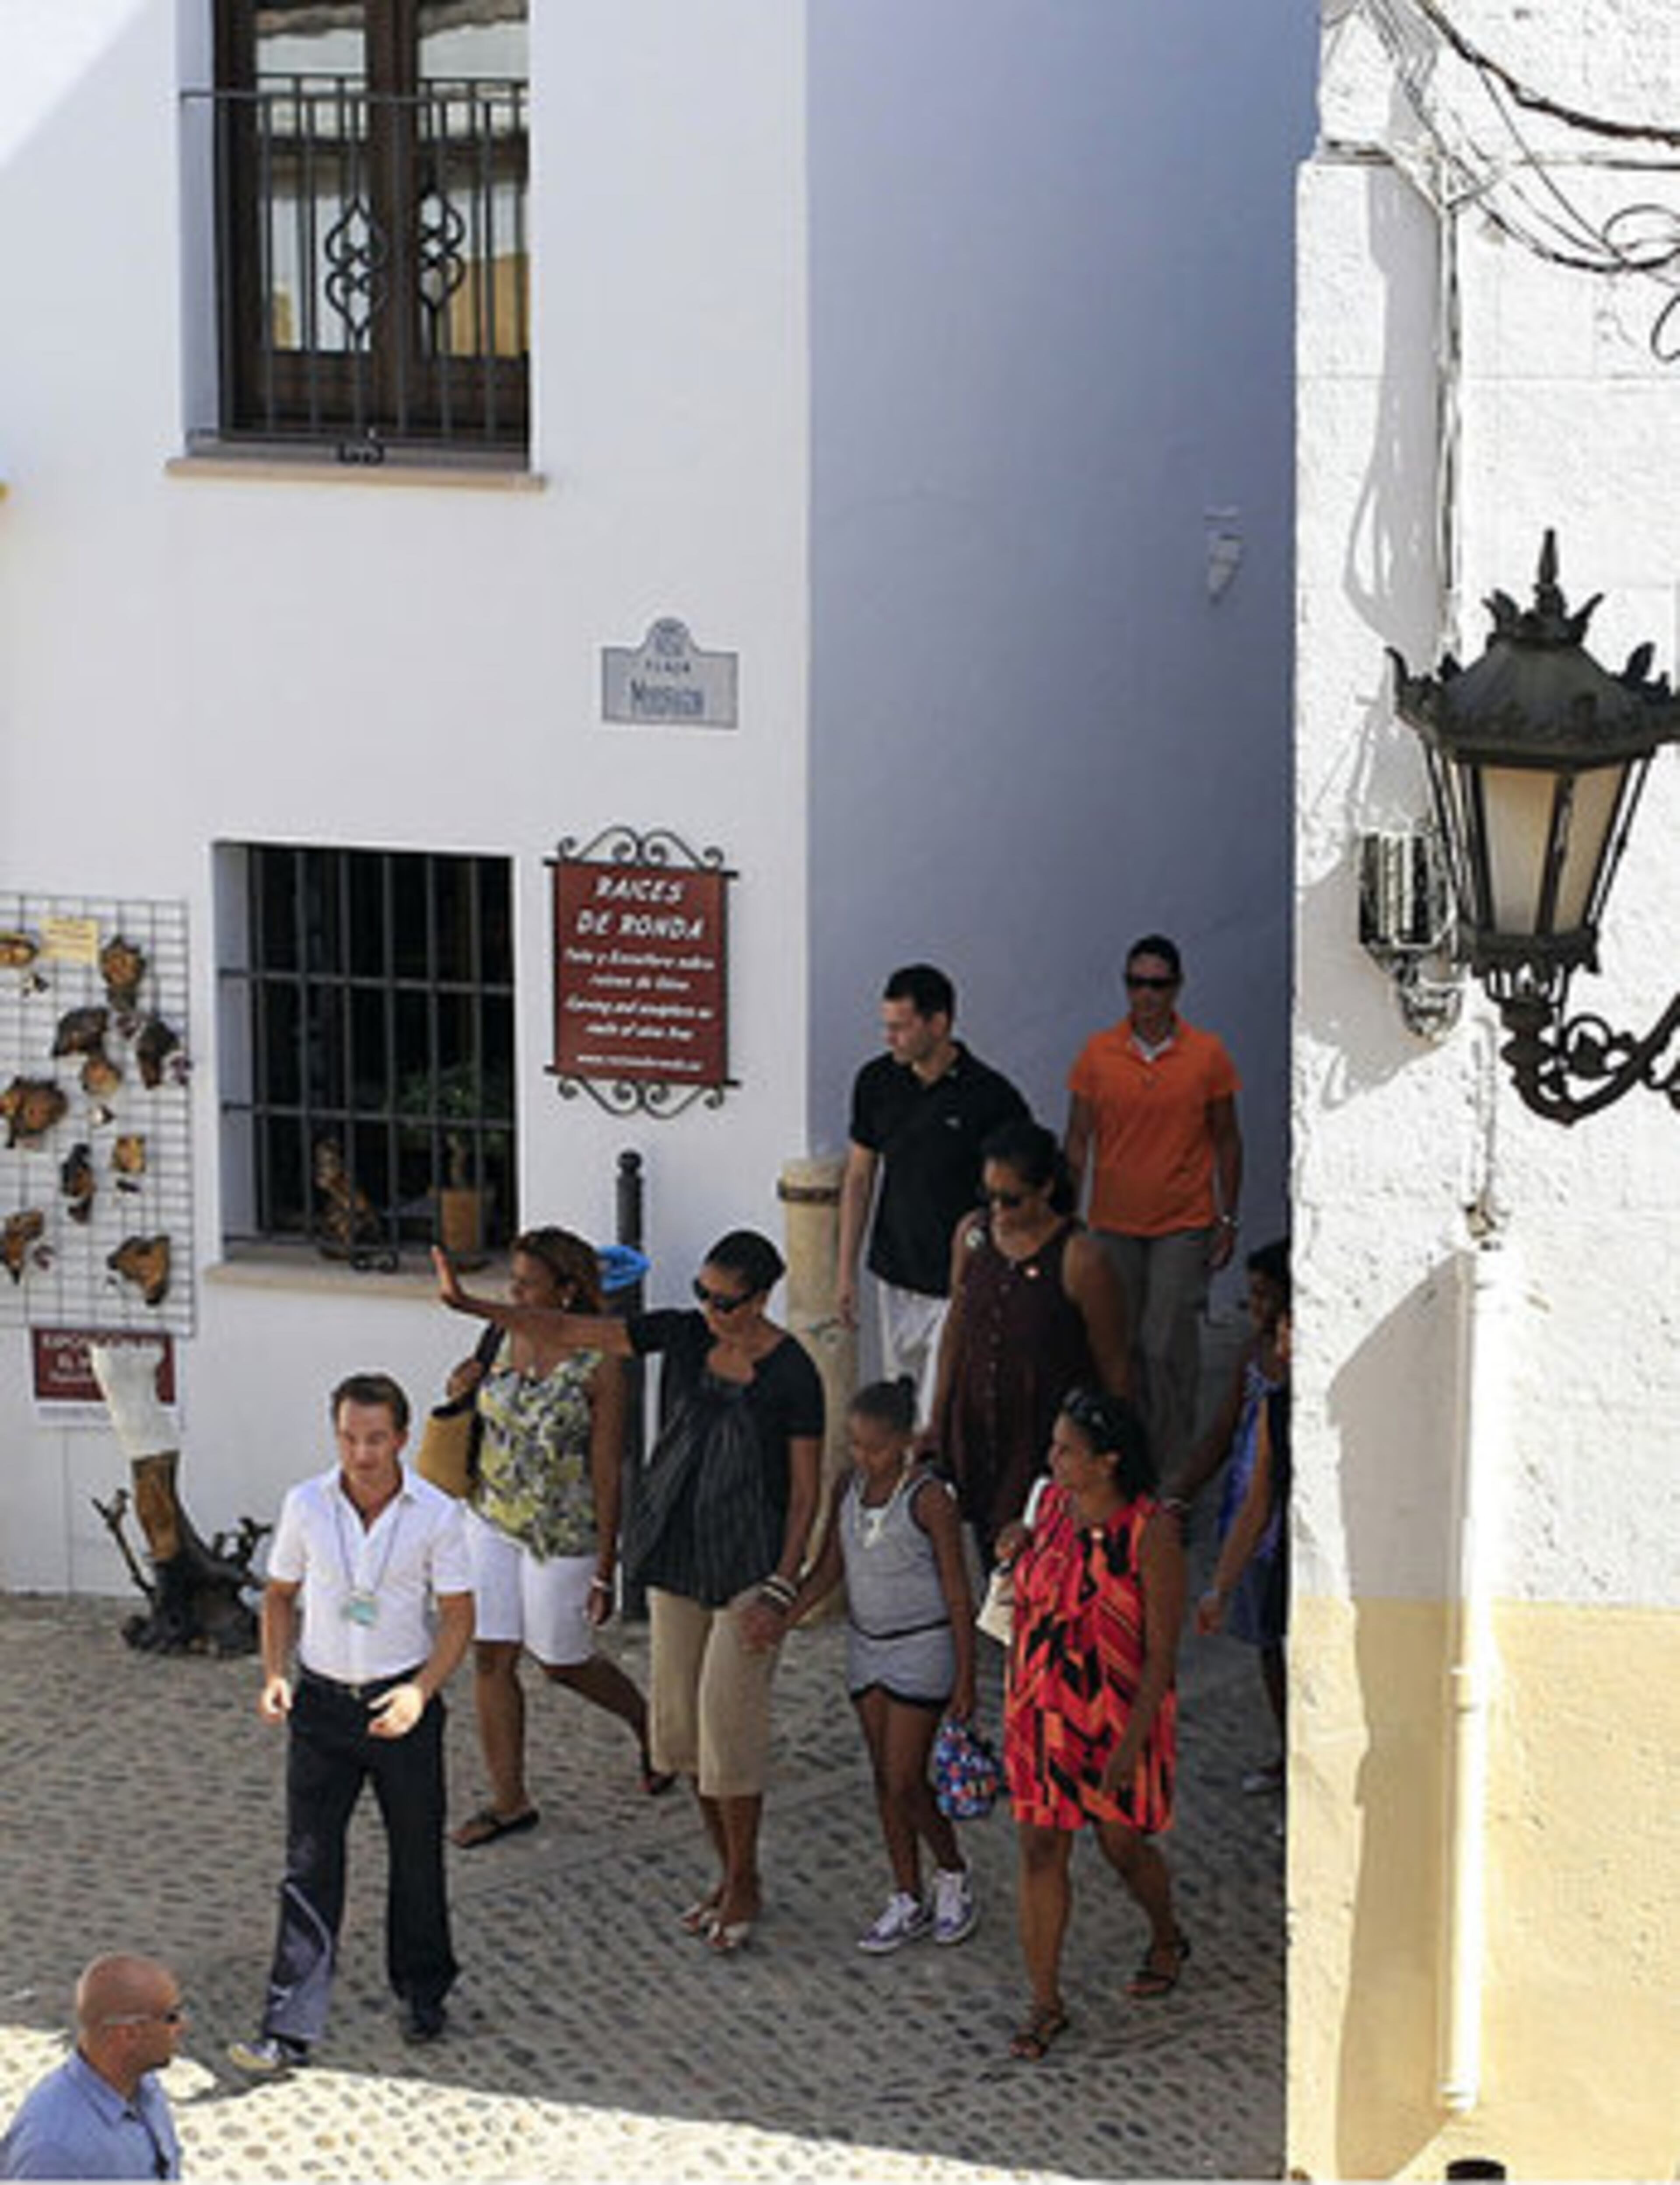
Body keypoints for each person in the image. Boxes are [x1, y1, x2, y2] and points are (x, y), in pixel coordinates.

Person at [435, 1229, 821, 1956]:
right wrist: (468, 1304)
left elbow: (805, 1494)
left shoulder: (793, 1372)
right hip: (677, 1557)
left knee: (728, 1734)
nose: (709, 1308)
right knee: (683, 1737)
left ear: (763, 1297)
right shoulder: (679, 1332)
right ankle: (729, 1870)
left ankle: (744, 1879)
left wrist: (783, 1584)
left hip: (746, 1569)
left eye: (726, 1300)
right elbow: (569, 1328)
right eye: (704, 1292)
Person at [228, 1373, 473, 2074]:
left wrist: (422, 1693)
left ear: (401, 1438)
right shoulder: (306, 1504)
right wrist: (275, 1674)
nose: (360, 1453)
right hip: (324, 1707)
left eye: (374, 1438)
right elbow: (279, 1597)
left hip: (402, 1705)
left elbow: (459, 1617)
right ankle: (288, 2025)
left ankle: (424, 1990)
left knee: (417, 1856)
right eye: (348, 1437)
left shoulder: (437, 1513)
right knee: (308, 1865)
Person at [445, 1226, 666, 1849]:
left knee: (562, 1660)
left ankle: (647, 1721)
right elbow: (479, 1415)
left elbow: (607, 1469)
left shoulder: (600, 1364)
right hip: (490, 1518)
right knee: (491, 1656)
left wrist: (606, 1565)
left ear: (567, 1292)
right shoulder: (500, 1334)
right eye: (511, 1281)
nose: (513, 1292)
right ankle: (510, 1800)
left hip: (562, 1533)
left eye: (527, 1284)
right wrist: (461, 1385)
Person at [999, 1388, 1186, 2063]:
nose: (1053, 1459)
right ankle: (1044, 2002)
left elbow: (1163, 1650)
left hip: (1116, 1717)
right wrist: (1013, 1546)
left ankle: (1166, 1933)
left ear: (1107, 1461)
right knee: (1041, 1851)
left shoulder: (1151, 1529)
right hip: (1041, 1708)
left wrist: (1131, 1743)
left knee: (1122, 1846)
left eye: (1066, 1450)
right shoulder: (1049, 1505)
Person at [784, 1378, 980, 1954]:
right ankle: (906, 1891)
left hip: (923, 1646)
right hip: (867, 1645)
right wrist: (787, 1613)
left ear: (902, 1442)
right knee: (884, 1780)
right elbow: (829, 1568)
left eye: (872, 1446)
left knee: (905, 1776)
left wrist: (966, 1676)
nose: (861, 1456)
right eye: (855, 1444)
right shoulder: (848, 1487)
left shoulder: (929, 1499)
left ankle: (952, 1870)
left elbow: (956, 1587)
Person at [1064, 933, 1242, 1482]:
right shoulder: (1098, 1054)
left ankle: (1171, 1481)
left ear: (1177, 988)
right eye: (1136, 983)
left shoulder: (1207, 1055)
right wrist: (1071, 1214)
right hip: (1113, 1223)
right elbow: (1077, 1138)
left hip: (1181, 1224)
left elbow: (1227, 1138)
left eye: (1157, 984)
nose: (1145, 995)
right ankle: (1124, 1470)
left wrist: (1226, 1216)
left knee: (1166, 1347)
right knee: (1119, 1353)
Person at [931, 1118, 1130, 1567]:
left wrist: (1113, 1455)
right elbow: (957, 1328)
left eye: (1012, 1199)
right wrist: (940, 1413)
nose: (998, 1210)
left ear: (1045, 1189)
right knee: (989, 1548)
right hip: (981, 1423)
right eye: (990, 1196)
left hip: (1044, 1435)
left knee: (1044, 1553)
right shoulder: (973, 1235)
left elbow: (1113, 1363)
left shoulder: (1080, 1258)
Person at [836, 964, 1028, 1420]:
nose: (891, 1037)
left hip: (958, 1281)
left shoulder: (991, 1097)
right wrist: (845, 1270)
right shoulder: (876, 1082)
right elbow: (860, 1177)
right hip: (894, 1271)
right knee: (899, 1404)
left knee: (939, 1407)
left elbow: (1020, 1189)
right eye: (887, 1026)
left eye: (901, 1026)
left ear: (939, 1023)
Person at [1183, 1241, 1291, 1794]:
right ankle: (1285, 1746)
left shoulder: (1298, 1378)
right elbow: (1224, 1432)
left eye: (1263, 1295)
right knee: (1268, 1641)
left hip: (1281, 1524)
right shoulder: (1254, 1357)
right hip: (1253, 1520)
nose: (1254, 1304)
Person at [0, 1955, 184, 2180]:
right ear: (129, 2034)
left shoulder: (144, 2086)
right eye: (171, 2017)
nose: (182, 2026)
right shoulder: (53, 2150)